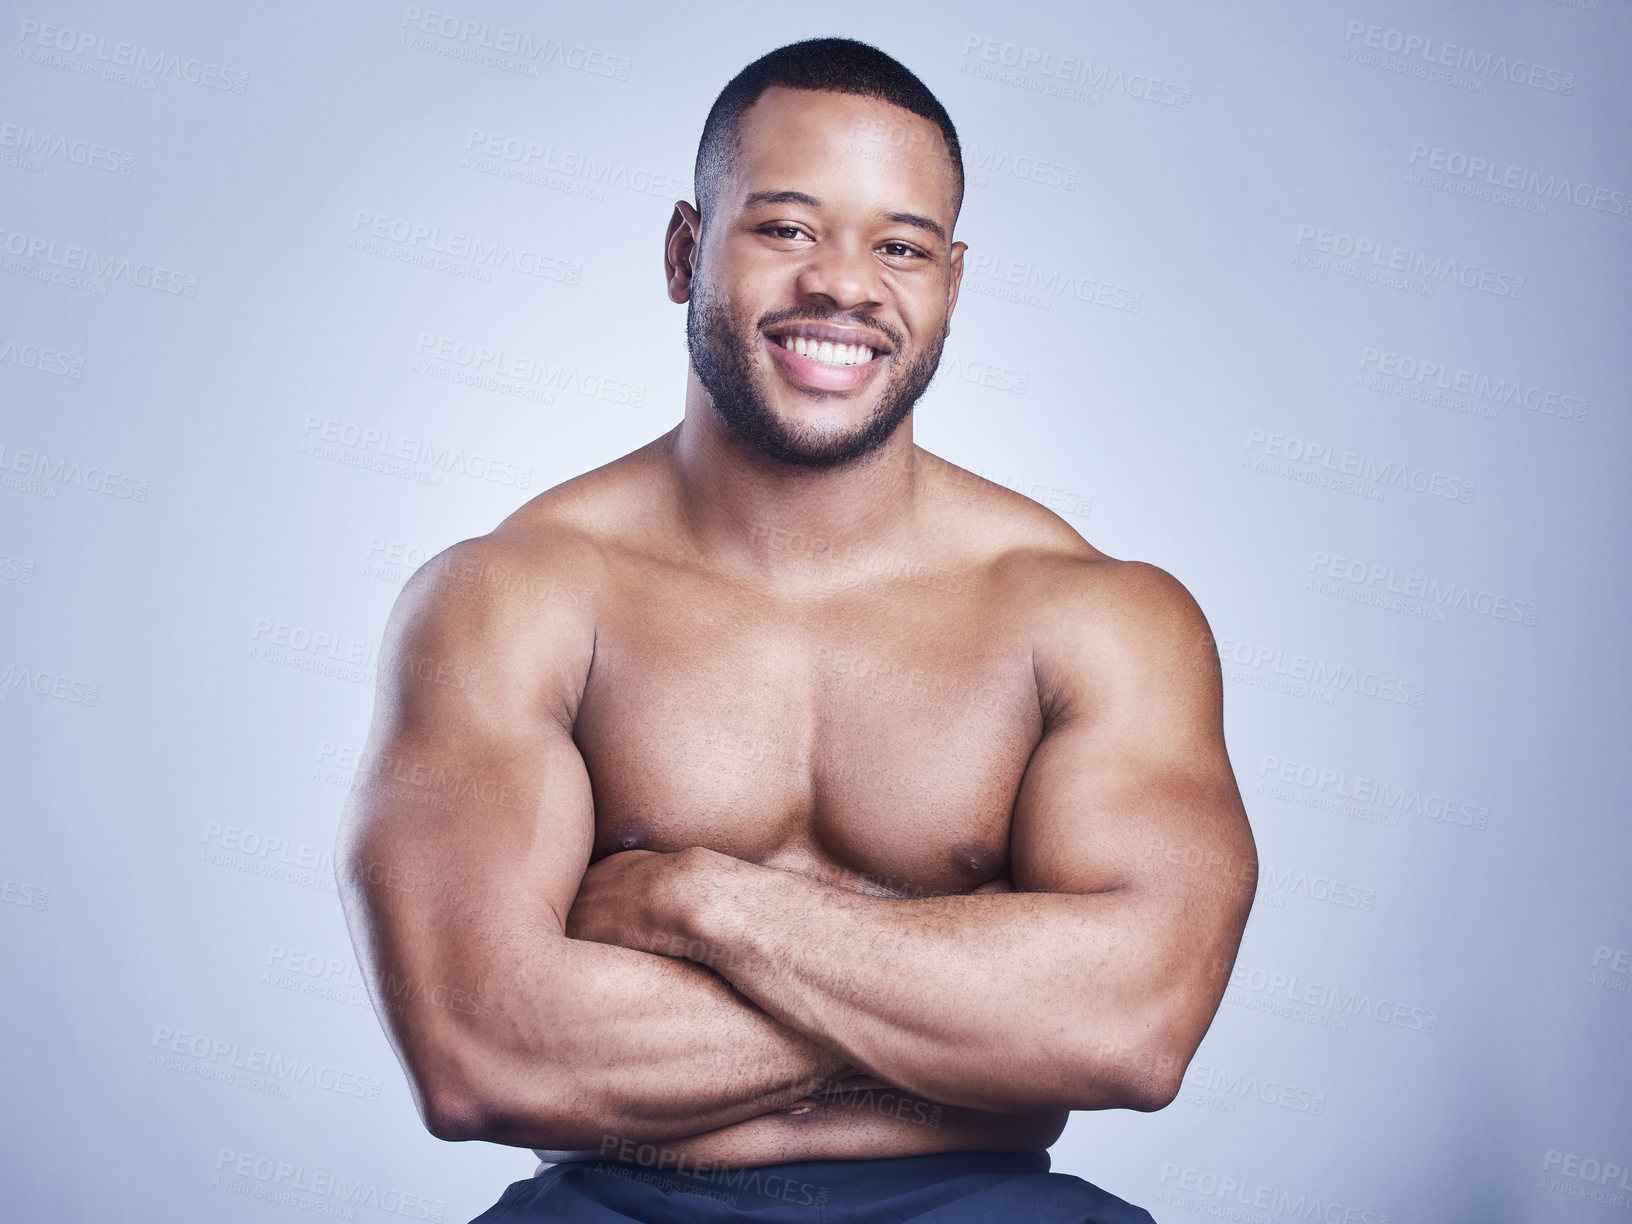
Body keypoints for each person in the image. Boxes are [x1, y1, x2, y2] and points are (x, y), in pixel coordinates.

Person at [336, 36, 1256, 1224]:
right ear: (684, 251)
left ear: (951, 286)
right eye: (785, 228)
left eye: (902, 247)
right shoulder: (511, 601)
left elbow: (1134, 1030)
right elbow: (480, 1055)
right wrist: (977, 999)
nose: (845, 285)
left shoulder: (1093, 616)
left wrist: (695, 905)